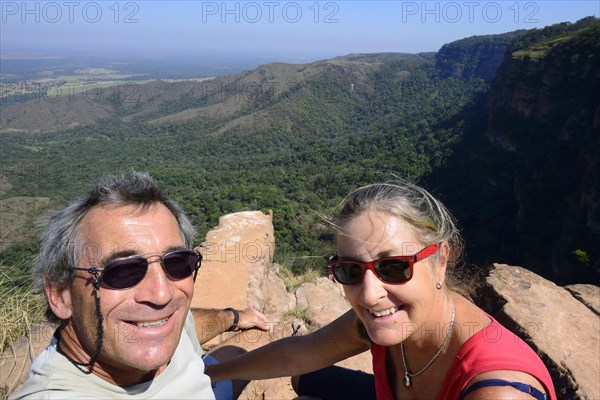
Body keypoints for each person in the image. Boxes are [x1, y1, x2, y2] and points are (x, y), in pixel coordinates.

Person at [206, 181, 557, 400]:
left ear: (441, 259)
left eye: (394, 267)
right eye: (350, 270)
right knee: (304, 378)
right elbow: (299, 353)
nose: (370, 295)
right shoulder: (383, 323)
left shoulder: (498, 390)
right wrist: (205, 375)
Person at [10, 172, 269, 400]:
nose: (162, 294)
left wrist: (233, 317)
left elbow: (186, 326)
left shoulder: (157, 325)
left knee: (260, 339)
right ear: (59, 295)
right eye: (123, 271)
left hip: (204, 380)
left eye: (176, 263)